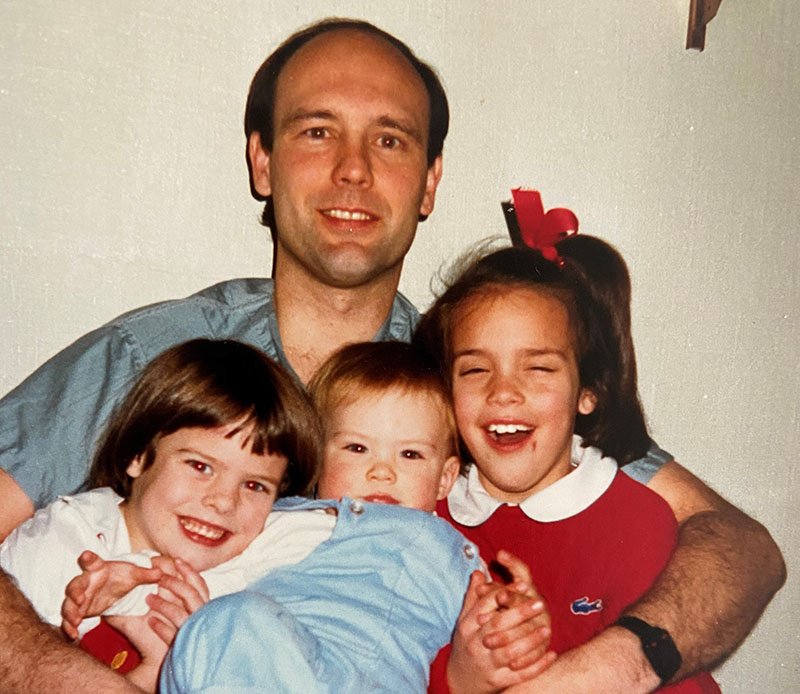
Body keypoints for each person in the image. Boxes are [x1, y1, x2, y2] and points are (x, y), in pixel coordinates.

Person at [0, 16, 785, 694]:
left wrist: (606, 668)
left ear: (430, 181)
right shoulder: (156, 355)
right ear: (262, 161)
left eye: (389, 139)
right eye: (317, 131)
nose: (354, 168)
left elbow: (738, 546)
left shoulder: (469, 374)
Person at [76, 342, 544, 693]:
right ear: (318, 460)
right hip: (271, 669)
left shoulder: (448, 551)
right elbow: (196, 577)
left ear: (444, 480)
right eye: (357, 448)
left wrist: (508, 624)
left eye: (410, 454)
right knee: (235, 619)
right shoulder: (279, 519)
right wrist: (131, 583)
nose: (382, 470)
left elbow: (484, 639)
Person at [416, 237, 721, 693]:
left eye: (538, 369)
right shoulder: (424, 517)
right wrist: (457, 679)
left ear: (588, 392)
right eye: (475, 370)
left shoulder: (635, 522)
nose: (503, 393)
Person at [0, 339, 321, 691]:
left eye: (255, 486)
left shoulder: (260, 557)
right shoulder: (64, 546)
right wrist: (155, 672)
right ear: (137, 456)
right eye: (200, 466)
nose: (224, 502)